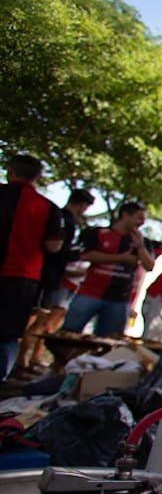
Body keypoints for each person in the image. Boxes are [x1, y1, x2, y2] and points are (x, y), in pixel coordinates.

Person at [0, 154, 64, 380]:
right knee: (7, 335)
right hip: (22, 278)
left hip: (20, 274)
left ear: (11, 171)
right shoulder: (48, 208)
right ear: (37, 177)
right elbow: (53, 245)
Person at [15, 189, 93, 372]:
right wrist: (76, 254)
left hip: (48, 276)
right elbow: (56, 250)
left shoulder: (61, 218)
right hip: (48, 276)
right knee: (36, 320)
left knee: (40, 321)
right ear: (82, 205)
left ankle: (26, 360)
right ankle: (20, 361)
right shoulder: (64, 220)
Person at [62, 201, 156, 337]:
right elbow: (86, 255)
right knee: (68, 333)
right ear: (125, 215)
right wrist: (121, 258)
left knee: (108, 340)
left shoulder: (143, 241)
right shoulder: (98, 233)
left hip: (119, 299)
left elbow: (149, 266)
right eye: (139, 218)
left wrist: (140, 247)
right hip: (90, 292)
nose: (142, 223)